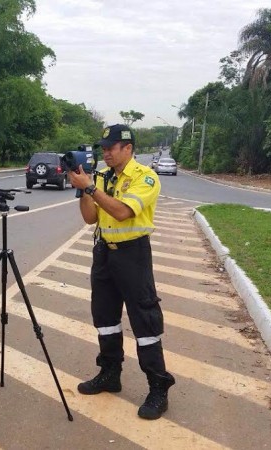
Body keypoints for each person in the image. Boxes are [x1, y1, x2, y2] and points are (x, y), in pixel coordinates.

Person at [67, 124, 175, 420]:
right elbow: (91, 218)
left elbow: (123, 212)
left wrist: (89, 187)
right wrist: (84, 191)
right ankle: (110, 373)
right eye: (103, 148)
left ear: (128, 148)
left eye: (111, 148)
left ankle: (158, 388)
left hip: (133, 255)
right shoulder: (101, 177)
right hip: (104, 253)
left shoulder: (146, 178)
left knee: (145, 321)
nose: (106, 153)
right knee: (105, 319)